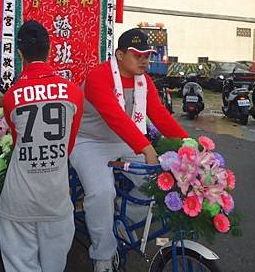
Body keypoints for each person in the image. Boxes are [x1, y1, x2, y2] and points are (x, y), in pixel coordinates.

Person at [69, 28, 188, 272]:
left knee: (157, 182)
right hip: (87, 142)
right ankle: (102, 254)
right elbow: (114, 116)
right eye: (138, 55)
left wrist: (190, 145)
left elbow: (160, 115)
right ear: (120, 55)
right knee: (102, 193)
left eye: (147, 55)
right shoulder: (98, 77)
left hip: (124, 140)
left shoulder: (144, 82)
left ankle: (125, 223)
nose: (145, 60)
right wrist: (145, 147)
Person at [0, 20, 84, 272]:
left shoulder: (11, 96)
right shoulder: (73, 92)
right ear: (50, 49)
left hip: (18, 199)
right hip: (56, 197)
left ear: (20, 53)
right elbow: (68, 145)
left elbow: (16, 143)